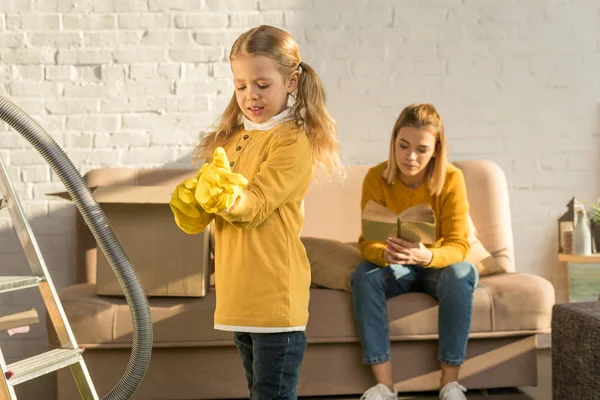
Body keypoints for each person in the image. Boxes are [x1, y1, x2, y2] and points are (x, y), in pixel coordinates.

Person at [169, 25, 342, 400]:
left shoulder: (291, 140)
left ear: (291, 81)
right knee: (259, 393)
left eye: (262, 85)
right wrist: (194, 203)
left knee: (271, 394)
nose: (251, 96)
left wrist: (223, 198)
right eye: (241, 85)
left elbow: (256, 204)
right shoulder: (230, 140)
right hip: (238, 293)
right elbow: (213, 208)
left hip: (275, 296)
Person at [351, 103, 478, 400]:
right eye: (403, 146)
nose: (410, 157)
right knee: (363, 275)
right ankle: (385, 387)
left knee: (462, 273)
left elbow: (460, 245)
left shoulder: (451, 179)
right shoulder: (376, 177)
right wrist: (384, 254)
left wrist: (428, 256)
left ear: (436, 149)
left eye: (421, 149)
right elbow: (366, 241)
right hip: (397, 268)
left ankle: (449, 384)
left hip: (437, 268)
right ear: (393, 142)